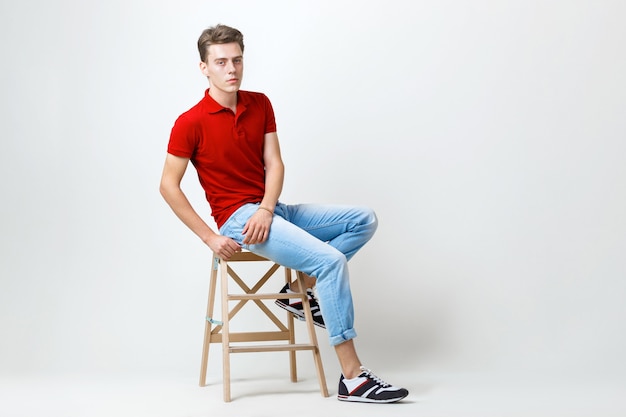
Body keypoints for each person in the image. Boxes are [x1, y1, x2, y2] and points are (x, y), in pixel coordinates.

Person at [159, 24, 408, 403]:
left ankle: (297, 292)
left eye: (237, 60)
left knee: (364, 219)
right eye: (221, 62)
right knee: (331, 261)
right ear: (203, 67)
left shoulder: (259, 103)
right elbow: (168, 185)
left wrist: (267, 208)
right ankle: (353, 378)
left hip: (270, 210)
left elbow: (274, 164)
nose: (232, 70)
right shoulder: (190, 122)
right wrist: (209, 236)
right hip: (238, 220)